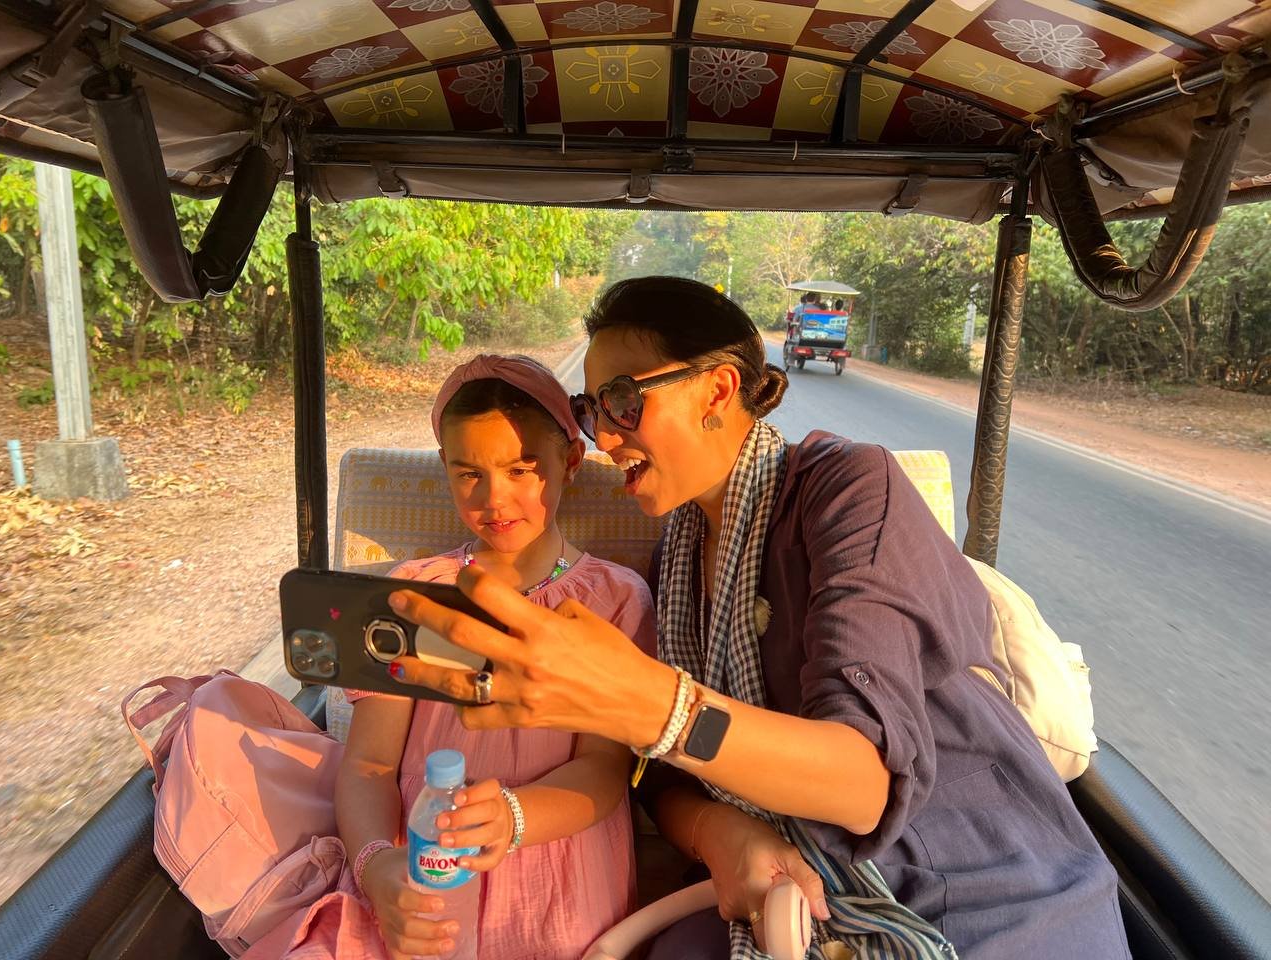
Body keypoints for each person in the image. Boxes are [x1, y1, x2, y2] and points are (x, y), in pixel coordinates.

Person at [383, 278, 1130, 960]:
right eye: (589, 413)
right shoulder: (672, 562)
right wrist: (717, 829)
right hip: (778, 891)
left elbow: (862, 784)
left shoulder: (847, 491)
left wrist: (649, 703)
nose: (604, 437)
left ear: (717, 389)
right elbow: (660, 778)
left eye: (621, 400)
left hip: (978, 888)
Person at [264, 355, 657, 960]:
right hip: (425, 874)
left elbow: (605, 770)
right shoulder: (414, 593)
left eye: (523, 469)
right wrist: (375, 868)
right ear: (445, 468)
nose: (494, 499)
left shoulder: (614, 600)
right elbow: (369, 763)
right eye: (469, 473)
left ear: (571, 463)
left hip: (559, 882)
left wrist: (514, 816)